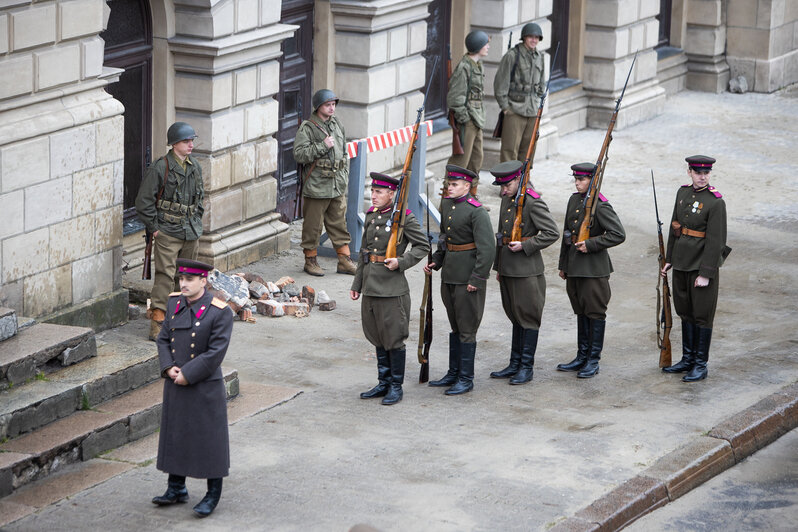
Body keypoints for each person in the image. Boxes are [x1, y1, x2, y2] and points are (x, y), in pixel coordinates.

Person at [152, 258, 233, 518]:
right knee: (177, 434)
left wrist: (188, 373)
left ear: (203, 281)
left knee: (209, 440)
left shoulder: (220, 311)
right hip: (176, 381)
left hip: (204, 385)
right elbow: (163, 338)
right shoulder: (175, 303)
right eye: (181, 279)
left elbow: (215, 353)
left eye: (189, 280)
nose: (183, 284)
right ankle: (176, 488)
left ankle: (212, 495)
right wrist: (168, 367)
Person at [350, 174, 430, 405]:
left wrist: (401, 261)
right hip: (371, 287)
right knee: (377, 336)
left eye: (379, 192)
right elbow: (364, 253)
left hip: (392, 289)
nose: (373, 196)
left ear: (392, 194)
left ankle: (396, 385)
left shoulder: (404, 218)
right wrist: (357, 285)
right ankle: (383, 382)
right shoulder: (371, 216)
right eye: (372, 191)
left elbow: (423, 245)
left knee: (393, 338)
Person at [424, 165, 494, 395]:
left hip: (467, 278)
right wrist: (437, 260)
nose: (449, 187)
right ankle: (453, 373)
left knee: (467, 328)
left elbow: (487, 249)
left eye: (454, 184)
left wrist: (477, 278)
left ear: (467, 186)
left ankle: (466, 378)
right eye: (448, 184)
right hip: (450, 275)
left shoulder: (477, 212)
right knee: (455, 326)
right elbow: (445, 238)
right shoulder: (447, 205)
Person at [661, 155, 730, 382]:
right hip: (681, 262)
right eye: (698, 173)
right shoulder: (682, 193)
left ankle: (700, 364)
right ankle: (687, 359)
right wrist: (669, 259)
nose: (703, 177)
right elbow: (675, 228)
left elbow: (716, 241)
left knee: (702, 316)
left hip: (701, 265)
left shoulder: (715, 202)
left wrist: (706, 273)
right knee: (685, 312)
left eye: (706, 173)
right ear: (689, 172)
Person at [489, 161, 558, 384]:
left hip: (527, 271)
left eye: (507, 185)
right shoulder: (508, 200)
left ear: (519, 180)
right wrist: (499, 266)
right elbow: (501, 236)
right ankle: (515, 363)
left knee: (527, 318)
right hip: (508, 268)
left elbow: (551, 232)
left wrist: (526, 246)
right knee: (514, 317)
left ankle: (526, 367)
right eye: (501, 186)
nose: (503, 190)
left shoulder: (532, 202)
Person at [556, 163, 626, 378]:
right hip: (574, 267)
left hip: (594, 270)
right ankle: (582, 356)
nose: (577, 183)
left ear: (593, 181)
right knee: (580, 311)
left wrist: (592, 244)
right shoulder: (574, 200)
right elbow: (567, 235)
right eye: (576, 179)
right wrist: (563, 265)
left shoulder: (601, 205)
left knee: (594, 313)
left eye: (582, 180)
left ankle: (593, 360)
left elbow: (618, 234)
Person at [136, 122, 204, 341]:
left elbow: (200, 197)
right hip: (167, 231)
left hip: (190, 231)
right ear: (175, 144)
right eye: (186, 141)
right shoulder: (160, 167)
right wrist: (155, 230)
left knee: (188, 277)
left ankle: (180, 319)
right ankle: (158, 321)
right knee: (165, 276)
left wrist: (196, 218)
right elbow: (144, 201)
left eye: (192, 140)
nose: (191, 145)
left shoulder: (194, 166)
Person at [293, 89, 357, 277]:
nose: (332, 108)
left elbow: (344, 151)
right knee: (313, 226)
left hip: (336, 184)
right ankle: (310, 260)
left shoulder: (337, 124)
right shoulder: (308, 127)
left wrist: (344, 174)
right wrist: (323, 145)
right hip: (317, 185)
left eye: (333, 104)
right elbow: (299, 154)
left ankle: (344, 260)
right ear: (319, 106)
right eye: (328, 105)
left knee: (339, 223)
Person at [494, 22, 545, 163]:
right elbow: (500, 84)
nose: (534, 40)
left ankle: (523, 179)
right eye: (531, 37)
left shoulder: (539, 57)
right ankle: (508, 181)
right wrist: (506, 108)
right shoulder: (512, 56)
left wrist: (538, 99)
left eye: (537, 37)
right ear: (524, 38)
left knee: (528, 149)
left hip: (533, 110)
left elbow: (541, 82)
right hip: (515, 109)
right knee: (510, 149)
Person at [447, 30, 490, 197]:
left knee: (476, 158)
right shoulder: (464, 67)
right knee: (461, 161)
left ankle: (470, 195)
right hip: (468, 120)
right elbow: (455, 98)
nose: (487, 46)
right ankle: (450, 196)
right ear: (477, 46)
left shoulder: (477, 65)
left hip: (477, 118)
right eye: (485, 44)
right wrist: (464, 119)